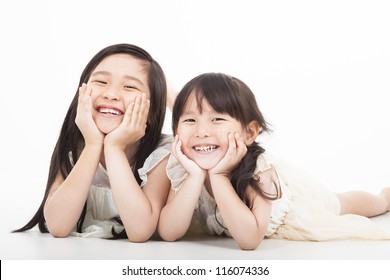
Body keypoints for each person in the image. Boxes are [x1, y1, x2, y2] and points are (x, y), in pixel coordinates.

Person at [158, 72, 390, 250]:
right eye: (189, 120)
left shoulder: (259, 172)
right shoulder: (185, 169)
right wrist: (197, 176)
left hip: (297, 207)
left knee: (340, 203)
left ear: (249, 133)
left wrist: (218, 177)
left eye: (217, 119)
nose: (201, 132)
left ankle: (383, 199)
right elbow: (169, 232)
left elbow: (249, 240)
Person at [13, 43, 172, 241]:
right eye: (101, 82)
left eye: (129, 86)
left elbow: (139, 231)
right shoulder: (75, 146)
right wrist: (93, 145)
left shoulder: (162, 152)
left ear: (152, 110)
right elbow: (58, 226)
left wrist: (115, 148)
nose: (110, 94)